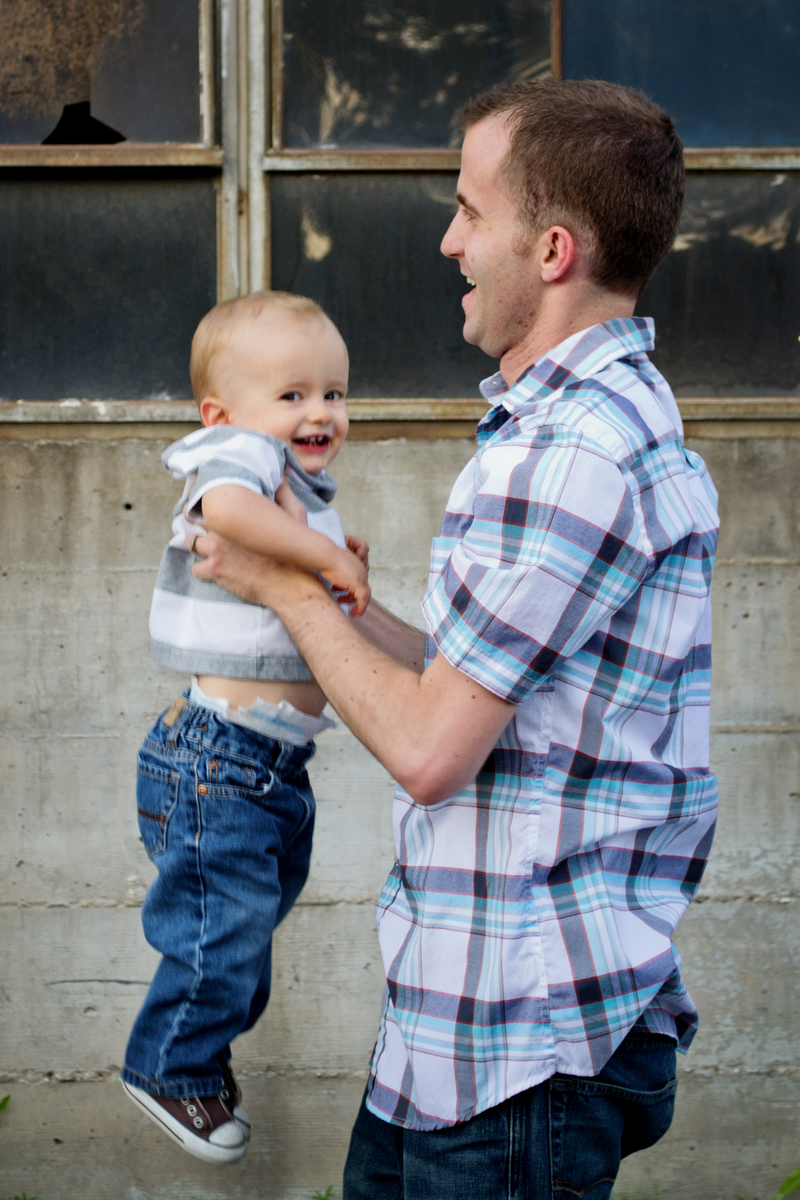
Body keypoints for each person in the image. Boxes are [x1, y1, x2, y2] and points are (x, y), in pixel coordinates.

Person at [191, 79, 720, 1198]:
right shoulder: (596, 423)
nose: (448, 239)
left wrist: (281, 586)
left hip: (515, 1052)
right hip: (459, 1033)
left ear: (554, 250)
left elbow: (432, 753)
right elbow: (486, 686)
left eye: (472, 211)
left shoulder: (566, 454)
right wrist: (333, 595)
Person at [121, 291, 370, 1165]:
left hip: (269, 767)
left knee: (242, 941)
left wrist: (334, 560)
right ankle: (167, 1067)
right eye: (292, 394)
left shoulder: (296, 485)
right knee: (218, 937)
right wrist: (327, 556)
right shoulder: (238, 456)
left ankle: (198, 1054)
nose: (319, 412)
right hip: (219, 758)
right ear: (220, 413)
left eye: (334, 393)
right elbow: (225, 510)